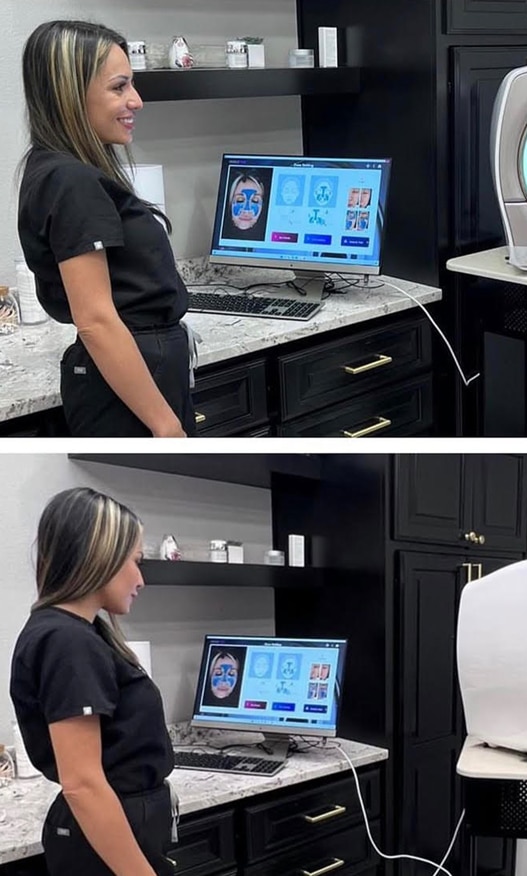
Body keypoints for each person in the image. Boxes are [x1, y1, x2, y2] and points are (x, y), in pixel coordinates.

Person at [17, 20, 195, 438]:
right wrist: (165, 425)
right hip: (127, 381)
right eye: (119, 87)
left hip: (139, 367)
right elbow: (95, 320)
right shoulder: (71, 181)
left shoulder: (63, 172)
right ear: (70, 95)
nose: (136, 101)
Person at [9, 487, 176, 876]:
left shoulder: (84, 633)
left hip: (120, 825)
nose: (141, 579)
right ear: (101, 556)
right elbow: (82, 784)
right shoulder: (66, 641)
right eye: (135, 561)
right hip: (103, 837)